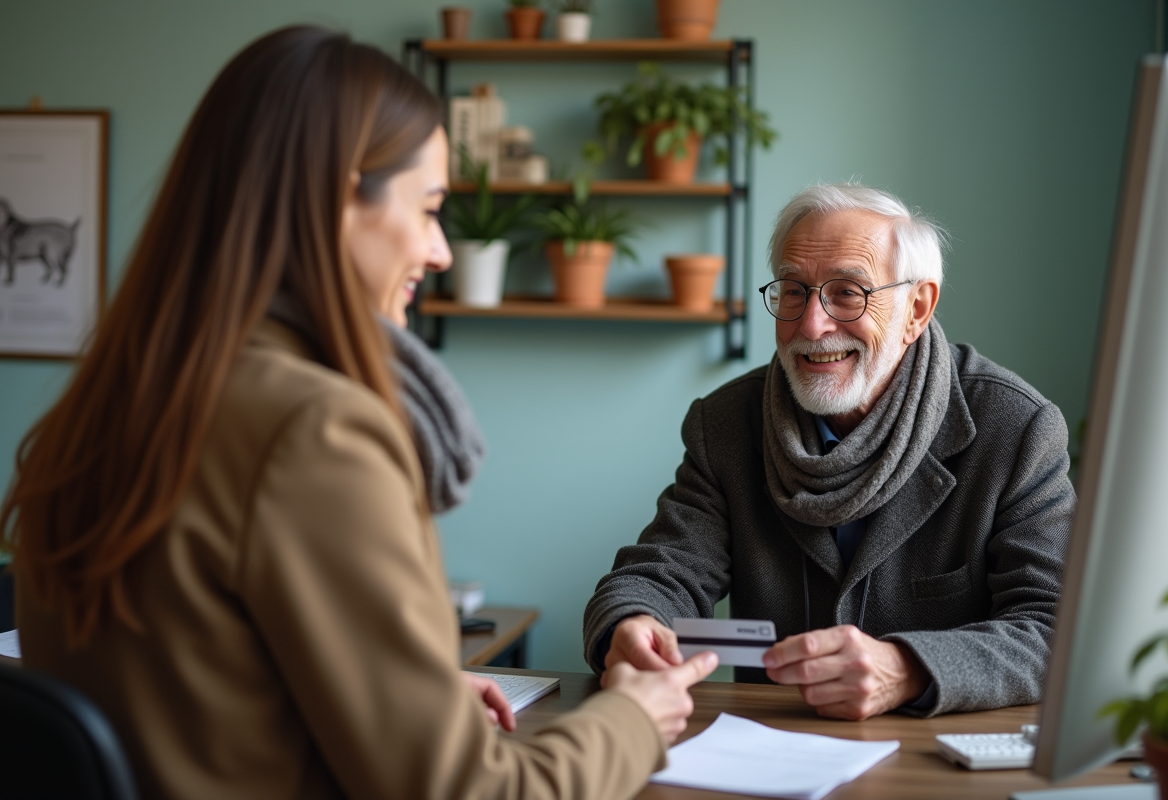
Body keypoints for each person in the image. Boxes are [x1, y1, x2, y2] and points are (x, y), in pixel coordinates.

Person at [1, 27, 716, 800]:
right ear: (339, 197)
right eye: (429, 207)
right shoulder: (314, 429)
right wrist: (633, 721)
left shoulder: (102, 408)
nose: (442, 251)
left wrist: (416, 704)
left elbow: (199, 694)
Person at [583, 182, 1074, 720]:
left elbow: (1057, 627)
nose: (812, 325)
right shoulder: (725, 423)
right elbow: (660, 573)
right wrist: (629, 625)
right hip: (771, 750)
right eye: (794, 291)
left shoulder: (1016, 428)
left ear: (917, 307)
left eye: (847, 292)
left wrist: (910, 668)